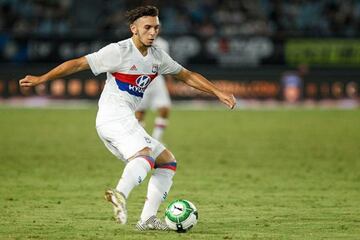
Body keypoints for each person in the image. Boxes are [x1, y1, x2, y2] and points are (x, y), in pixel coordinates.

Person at [19, 6, 236, 231]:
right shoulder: (118, 51)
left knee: (167, 162)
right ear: (134, 29)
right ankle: (119, 193)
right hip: (113, 116)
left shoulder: (157, 57)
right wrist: (41, 79)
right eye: (147, 27)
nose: (153, 32)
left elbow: (187, 75)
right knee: (144, 156)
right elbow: (77, 63)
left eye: (156, 28)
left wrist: (218, 92)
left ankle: (147, 219)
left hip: (122, 120)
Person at [135, 36, 172, 142]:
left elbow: (167, 63)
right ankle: (142, 141)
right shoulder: (137, 41)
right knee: (139, 113)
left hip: (157, 79)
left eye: (156, 27)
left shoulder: (163, 43)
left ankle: (156, 139)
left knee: (165, 109)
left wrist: (169, 80)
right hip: (141, 79)